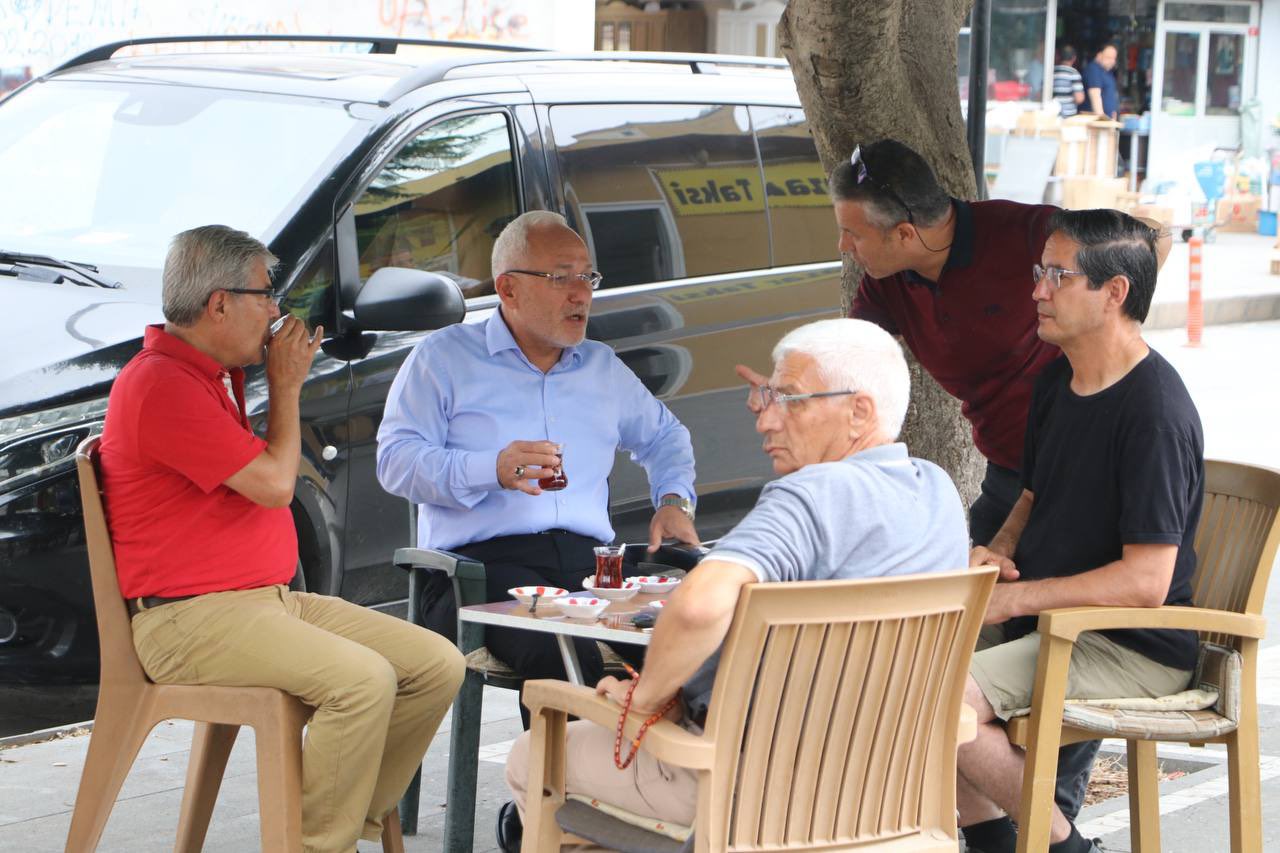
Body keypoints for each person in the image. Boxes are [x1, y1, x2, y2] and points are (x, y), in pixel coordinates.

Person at [734, 138, 1168, 822]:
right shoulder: (896, 286)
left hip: (1092, 525)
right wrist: (794, 396)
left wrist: (1110, 345)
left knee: (960, 682)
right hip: (1015, 472)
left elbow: (1133, 248)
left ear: (904, 231)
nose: (1038, 291)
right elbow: (849, 367)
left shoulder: (1026, 242)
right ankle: (1013, 827)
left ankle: (1053, 826)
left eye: (852, 233)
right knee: (923, 648)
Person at [501, 318, 969, 848]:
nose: (766, 421)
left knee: (533, 753)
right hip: (890, 787)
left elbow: (699, 607)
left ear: (858, 410)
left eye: (789, 399)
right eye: (766, 399)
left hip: (754, 792)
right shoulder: (938, 491)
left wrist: (643, 702)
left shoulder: (808, 497)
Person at [99, 225, 465, 853]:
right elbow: (272, 484)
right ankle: (322, 843)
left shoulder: (210, 374)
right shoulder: (159, 381)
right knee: (361, 682)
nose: (277, 311)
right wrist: (288, 386)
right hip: (190, 619)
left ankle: (345, 824)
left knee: (437, 665)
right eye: (267, 295)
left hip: (263, 602)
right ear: (219, 303)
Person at [957, 209, 1203, 853]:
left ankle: (1069, 849)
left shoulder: (1154, 413)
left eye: (1057, 275)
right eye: (1040, 272)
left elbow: (1148, 584)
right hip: (1060, 627)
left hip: (1132, 647)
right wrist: (1000, 551)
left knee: (938, 703)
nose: (1037, 290)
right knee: (907, 674)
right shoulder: (1055, 380)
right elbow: (1032, 494)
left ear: (1114, 292)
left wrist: (1015, 599)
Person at [376, 210, 698, 691]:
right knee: (565, 649)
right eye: (559, 278)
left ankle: (670, 765)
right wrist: (492, 468)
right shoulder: (445, 357)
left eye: (587, 276)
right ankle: (564, 767)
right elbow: (395, 463)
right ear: (508, 290)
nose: (581, 293)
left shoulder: (600, 366)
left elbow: (665, 437)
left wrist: (673, 501)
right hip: (478, 571)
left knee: (695, 638)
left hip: (590, 568)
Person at [1083, 42, 1120, 120]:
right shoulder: (1093, 70)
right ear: (1099, 55)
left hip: (1109, 121)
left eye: (1114, 58)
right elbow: (1095, 95)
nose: (1112, 61)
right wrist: (1101, 119)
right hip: (1098, 123)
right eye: (1109, 57)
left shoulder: (1108, 72)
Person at [1052, 45, 1086, 118]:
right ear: (1074, 58)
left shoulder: (1050, 71)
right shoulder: (1073, 73)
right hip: (1067, 116)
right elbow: (1079, 98)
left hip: (1052, 115)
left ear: (1058, 57)